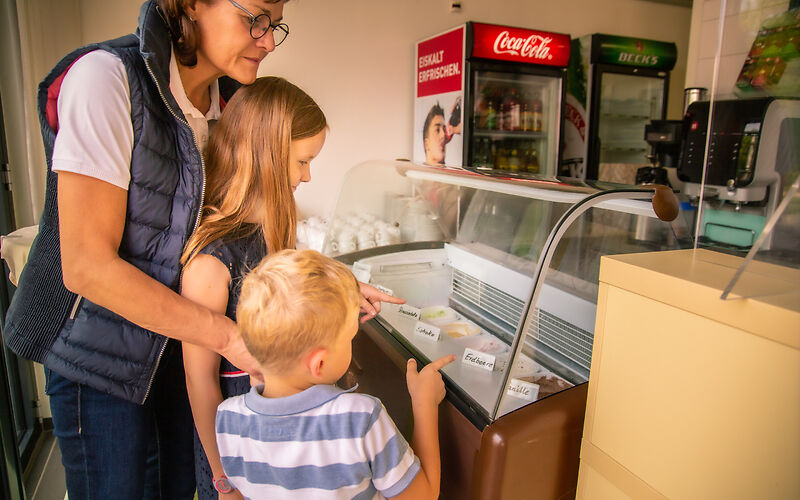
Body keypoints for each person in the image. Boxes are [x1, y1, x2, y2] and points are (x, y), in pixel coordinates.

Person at [1, 1, 396, 498]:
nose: (268, 40)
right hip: (100, 359)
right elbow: (86, 267)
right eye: (254, 17)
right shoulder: (106, 79)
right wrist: (230, 340)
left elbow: (245, 228)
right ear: (191, 4)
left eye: (274, 24)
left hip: (172, 346)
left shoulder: (231, 105)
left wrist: (330, 286)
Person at [180, 76, 325, 500]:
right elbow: (200, 382)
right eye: (302, 161)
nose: (309, 175)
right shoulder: (212, 259)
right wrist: (223, 481)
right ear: (266, 155)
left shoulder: (274, 233)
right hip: (235, 460)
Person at [216, 248, 455, 499]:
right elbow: (423, 496)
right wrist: (424, 402)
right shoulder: (360, 419)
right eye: (350, 337)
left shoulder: (228, 420)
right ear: (319, 364)